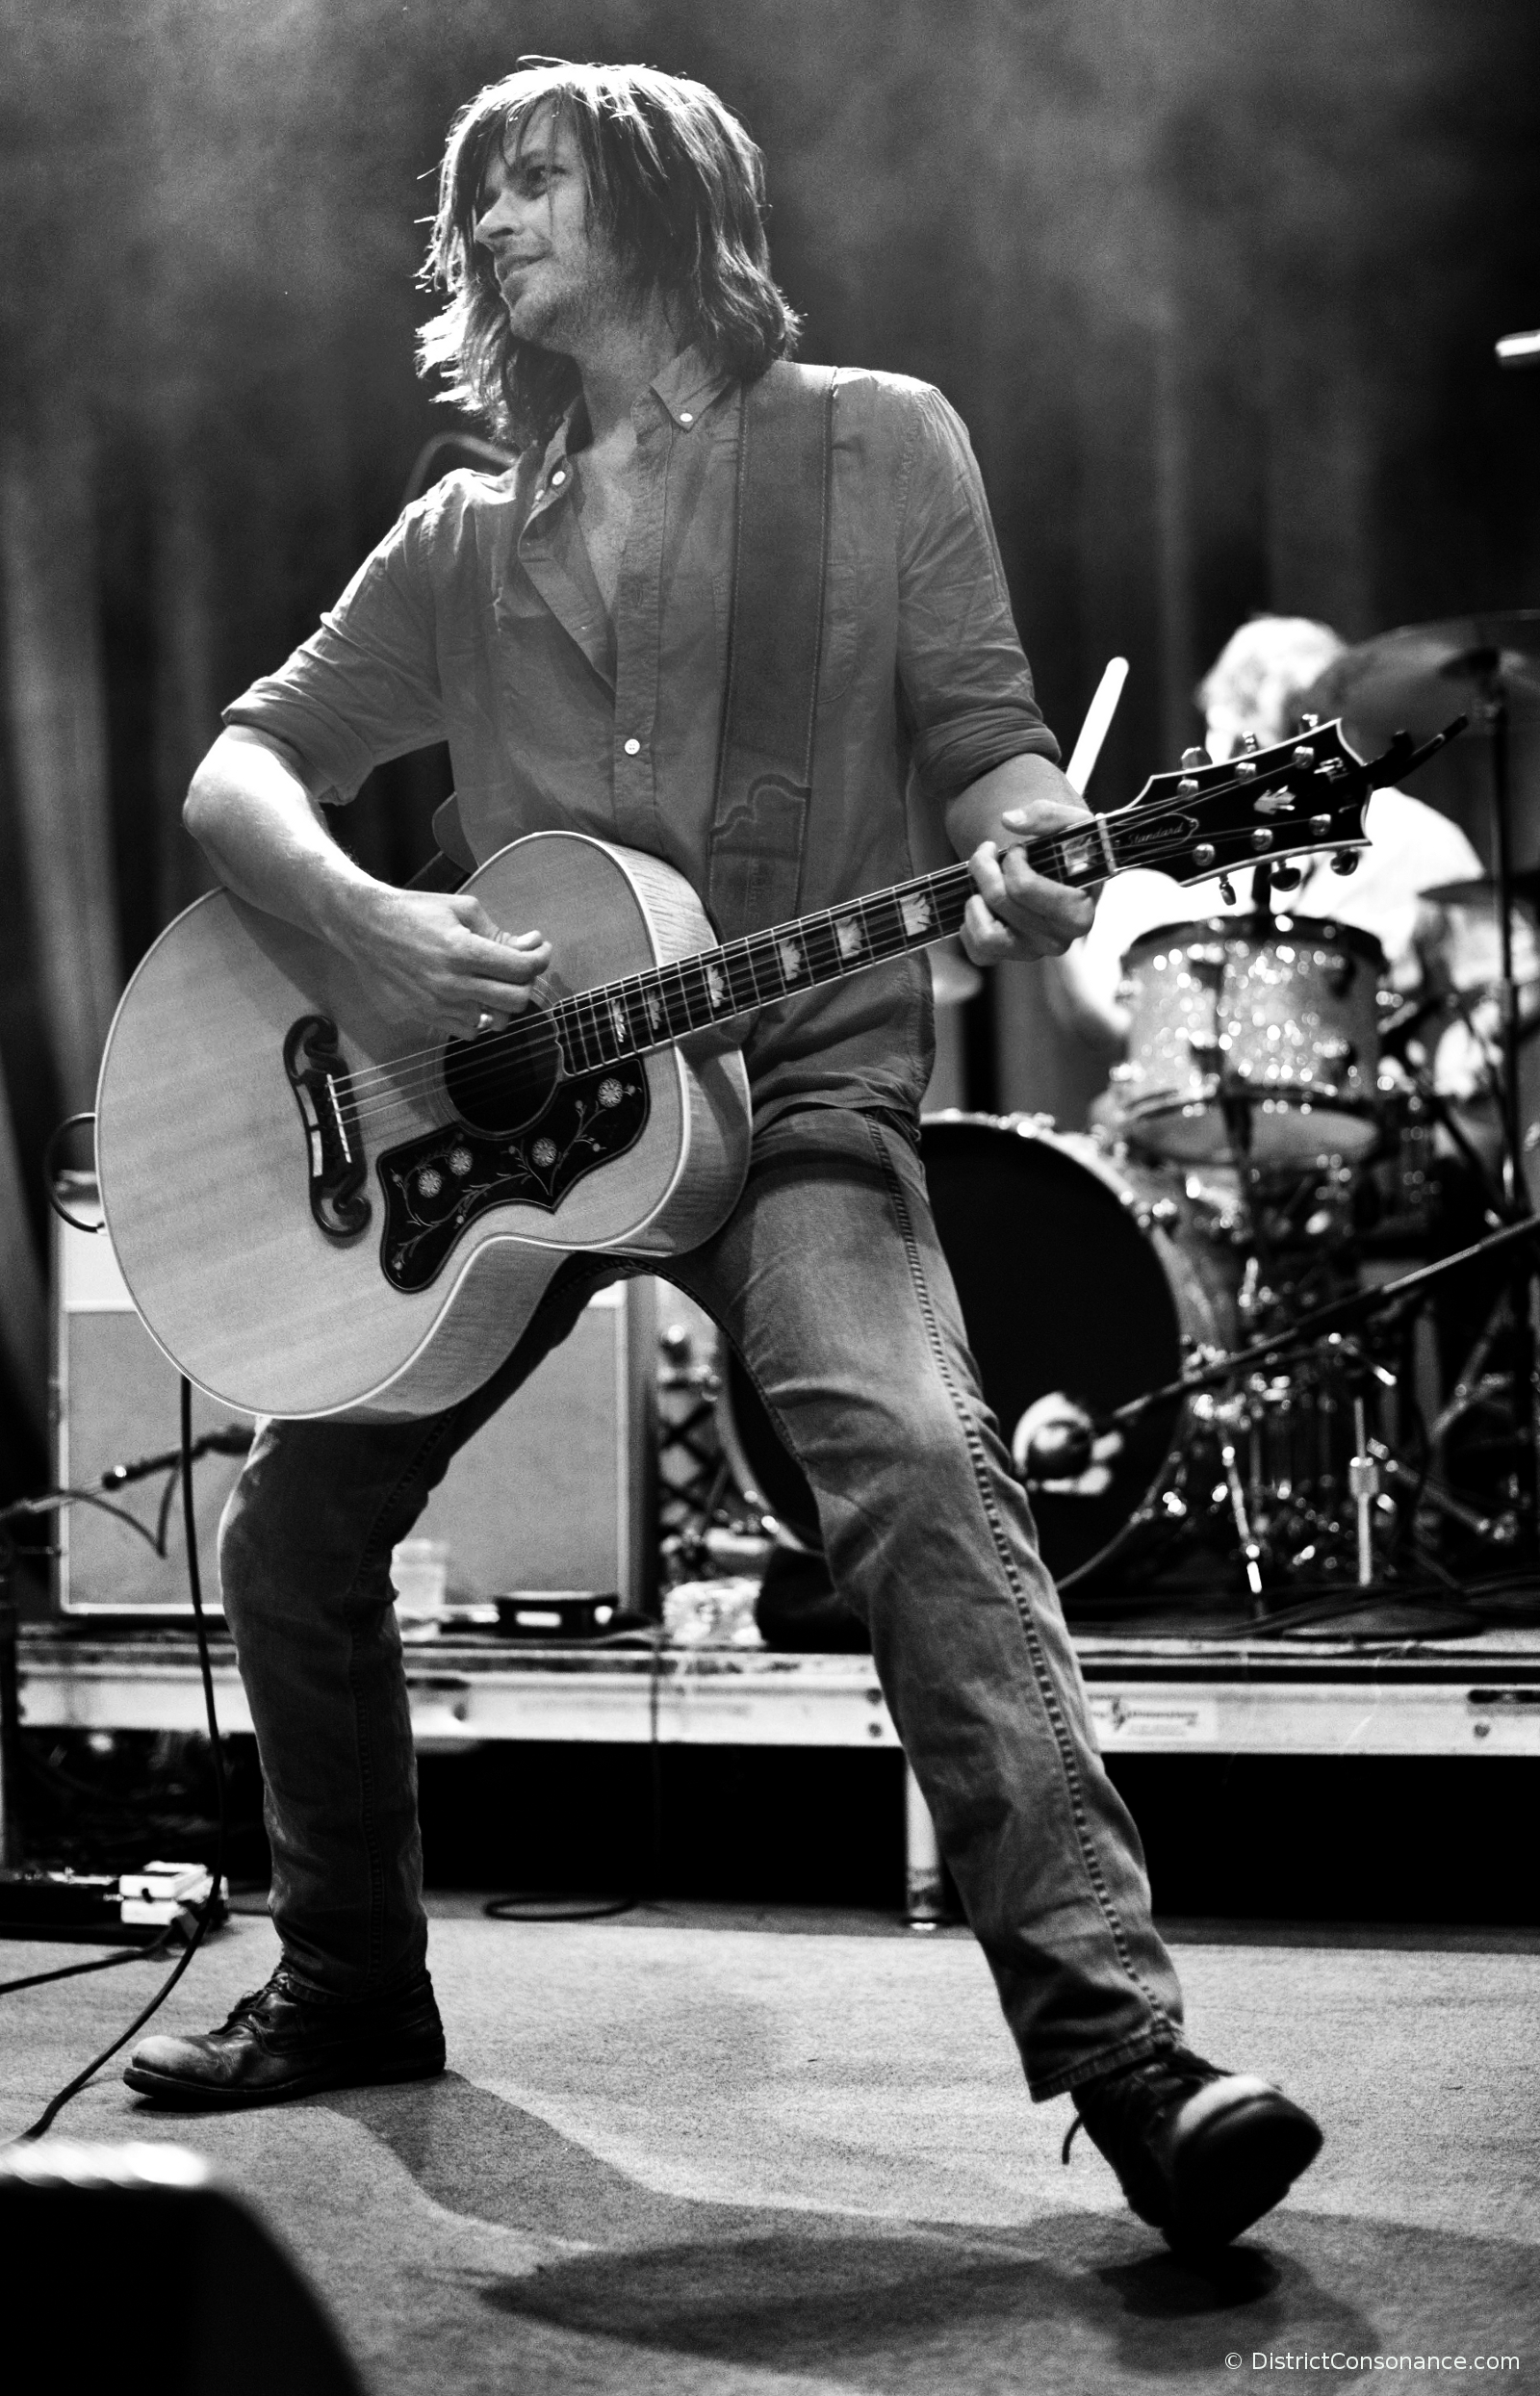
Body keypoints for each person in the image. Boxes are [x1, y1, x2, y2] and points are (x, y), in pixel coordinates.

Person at [123, 61, 1321, 2253]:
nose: (492, 227)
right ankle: (351, 1975)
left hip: (799, 1096)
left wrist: (1034, 852)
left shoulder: (879, 445)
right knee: (292, 1533)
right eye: (477, 203)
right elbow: (236, 777)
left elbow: (990, 747)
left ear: (665, 203)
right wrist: (370, 931)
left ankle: (1130, 2059)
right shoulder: (464, 539)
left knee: (914, 1460)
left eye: (535, 182)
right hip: (503, 1143)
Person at [1047, 615, 1485, 1067]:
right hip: (1191, 1108)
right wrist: (1050, 920)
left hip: (1372, 1101)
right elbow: (1107, 1025)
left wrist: (1462, 1063)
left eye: (1254, 743)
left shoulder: (1415, 839)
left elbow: (1503, 977)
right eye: (1224, 738)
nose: (1224, 765)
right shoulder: (1163, 846)